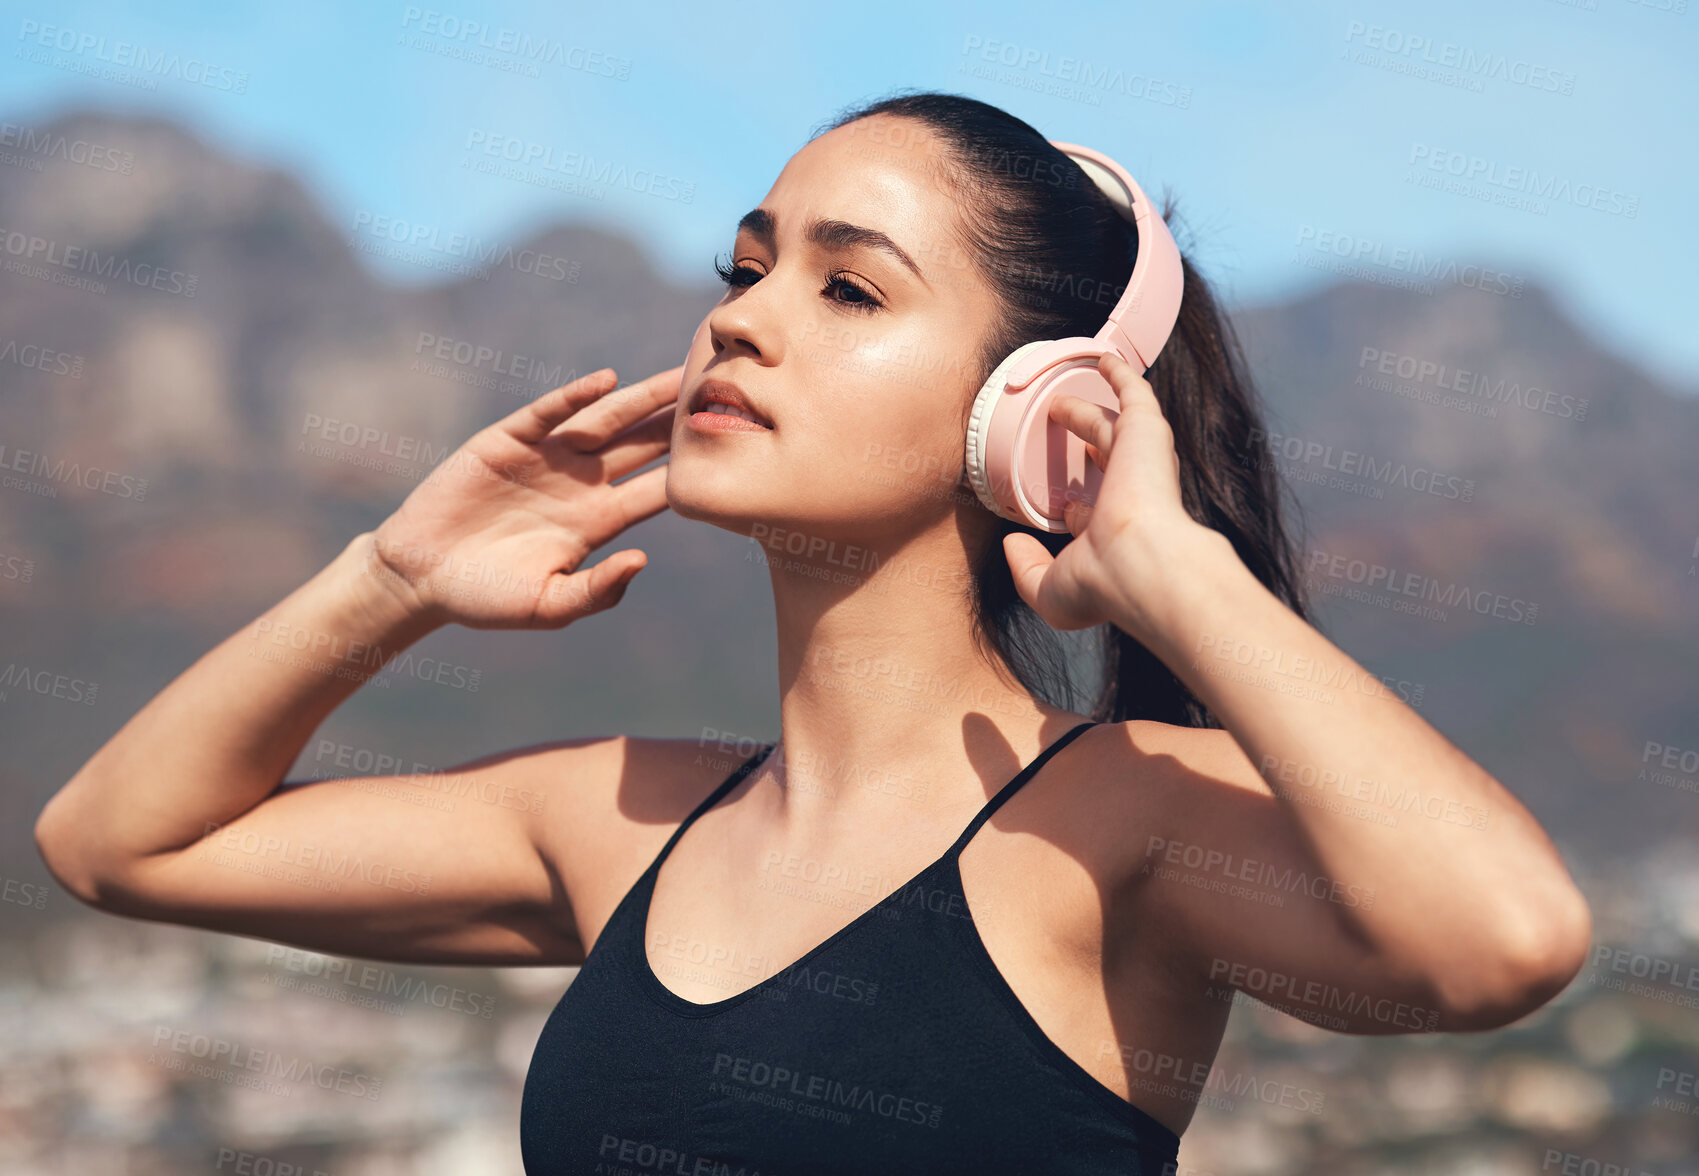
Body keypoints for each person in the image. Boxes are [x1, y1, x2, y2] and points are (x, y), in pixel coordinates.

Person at [35, 90, 1592, 1174]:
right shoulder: (618, 819)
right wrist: (395, 574)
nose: (741, 315)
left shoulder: (1128, 818)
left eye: (850, 288)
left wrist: (1174, 572)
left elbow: (1505, 938)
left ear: (1034, 410)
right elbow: (122, 844)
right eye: (749, 263)